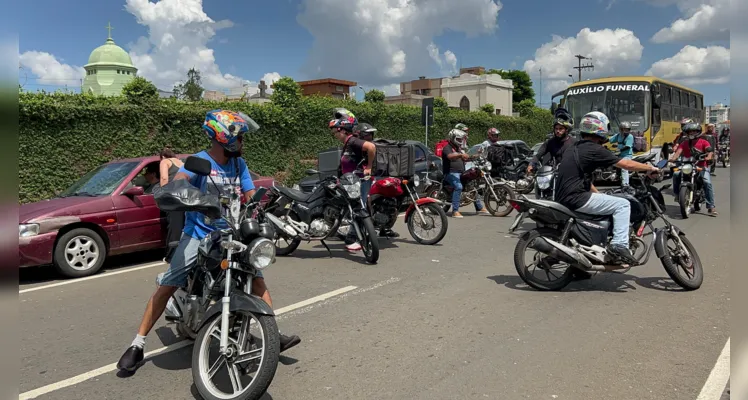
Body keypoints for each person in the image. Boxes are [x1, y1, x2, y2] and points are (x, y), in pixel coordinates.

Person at [116, 109, 301, 373]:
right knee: (170, 282)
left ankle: (273, 333)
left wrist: (268, 208)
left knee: (256, 278)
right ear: (222, 137)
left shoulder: (239, 164)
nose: (242, 143)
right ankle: (138, 343)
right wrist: (189, 197)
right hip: (199, 233)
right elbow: (179, 184)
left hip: (231, 232)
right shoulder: (199, 162)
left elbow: (250, 195)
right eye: (239, 138)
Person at [554, 111, 660, 265]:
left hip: (565, 196)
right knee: (623, 204)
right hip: (576, 198)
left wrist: (598, 194)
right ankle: (619, 245)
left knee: (609, 201)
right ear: (600, 128)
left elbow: (581, 179)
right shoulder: (594, 149)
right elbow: (625, 164)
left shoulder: (574, 147)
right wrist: (649, 168)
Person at [329, 114, 381, 250]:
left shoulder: (352, 141)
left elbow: (371, 147)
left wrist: (369, 167)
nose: (334, 135)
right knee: (354, 208)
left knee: (358, 209)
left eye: (335, 132)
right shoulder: (348, 144)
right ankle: (356, 235)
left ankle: (352, 238)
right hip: (351, 182)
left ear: (343, 130)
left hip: (359, 182)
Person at [667, 122, 718, 216]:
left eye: (694, 131)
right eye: (690, 132)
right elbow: (678, 152)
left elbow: (709, 151)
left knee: (707, 182)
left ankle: (711, 206)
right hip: (687, 165)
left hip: (701, 165)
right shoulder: (684, 143)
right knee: (676, 174)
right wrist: (673, 158)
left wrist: (709, 157)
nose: (692, 134)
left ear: (698, 132)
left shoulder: (704, 142)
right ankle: (677, 195)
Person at [441, 128, 489, 218]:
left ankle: (479, 208)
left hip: (461, 172)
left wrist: (477, 155)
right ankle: (455, 211)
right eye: (458, 139)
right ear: (453, 138)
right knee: (458, 186)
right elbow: (450, 156)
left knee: (473, 184)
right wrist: (460, 155)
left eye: (460, 139)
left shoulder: (458, 148)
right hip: (450, 173)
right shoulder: (447, 148)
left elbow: (466, 157)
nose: (460, 141)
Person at [528, 108, 576, 174]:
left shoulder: (574, 142)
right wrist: (531, 164)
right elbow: (538, 155)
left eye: (561, 129)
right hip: (554, 174)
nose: (558, 131)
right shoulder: (550, 142)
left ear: (566, 130)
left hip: (570, 174)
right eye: (556, 129)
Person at [158, 148, 185, 264]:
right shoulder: (182, 163)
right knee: (183, 225)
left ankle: (171, 255)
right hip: (185, 197)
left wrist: (163, 194)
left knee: (174, 227)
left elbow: (164, 178)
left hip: (173, 197)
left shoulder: (165, 161)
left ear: (163, 157)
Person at [609, 122, 634, 186]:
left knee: (624, 168)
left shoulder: (630, 136)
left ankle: (625, 185)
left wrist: (619, 150)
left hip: (627, 155)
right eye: (625, 129)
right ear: (621, 130)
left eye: (628, 129)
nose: (626, 131)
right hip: (620, 155)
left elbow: (628, 146)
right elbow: (609, 140)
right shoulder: (618, 135)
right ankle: (617, 175)